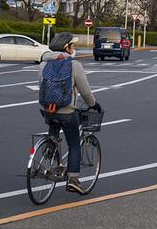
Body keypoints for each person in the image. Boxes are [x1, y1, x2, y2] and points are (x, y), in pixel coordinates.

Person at [39, 32, 100, 194]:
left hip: (46, 110)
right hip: (66, 111)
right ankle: (73, 180)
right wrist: (94, 104)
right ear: (66, 48)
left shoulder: (43, 64)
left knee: (53, 128)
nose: (74, 49)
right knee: (73, 144)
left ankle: (49, 152)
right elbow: (85, 92)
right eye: (72, 46)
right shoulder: (74, 65)